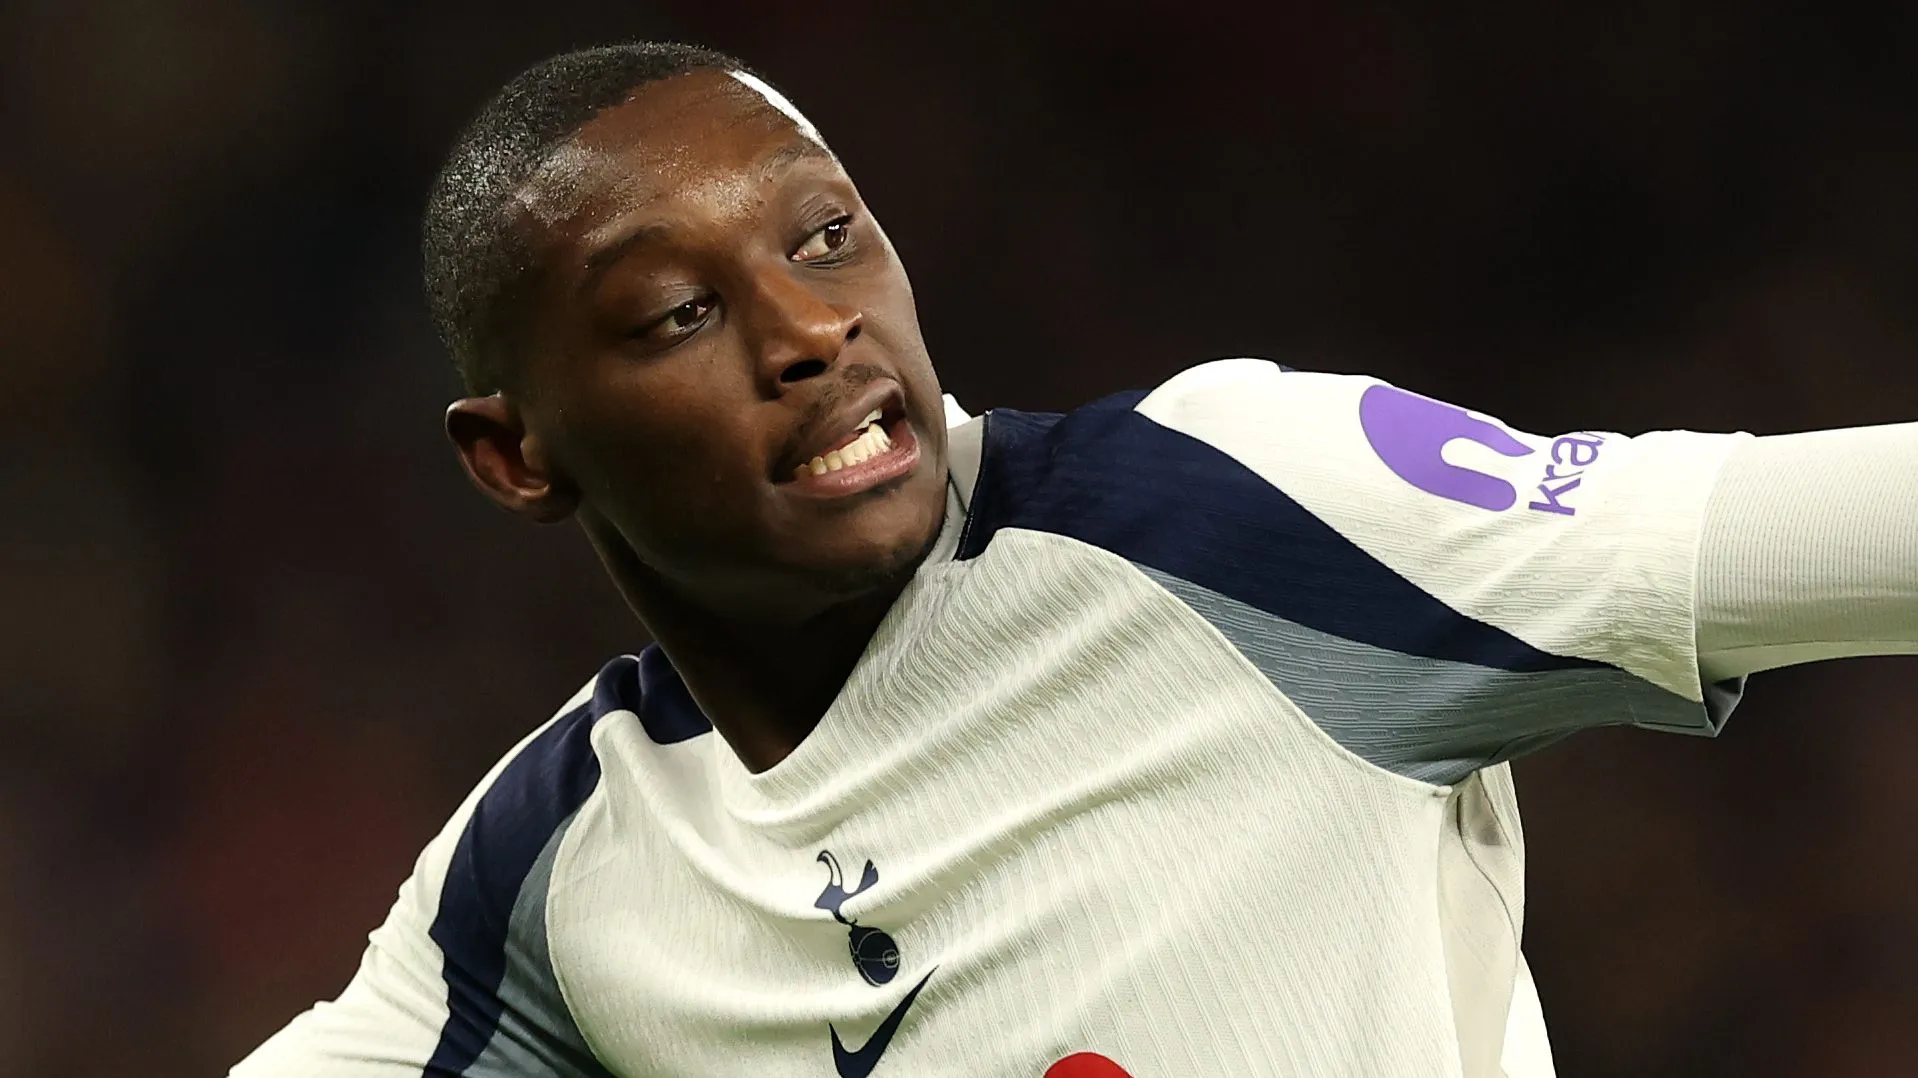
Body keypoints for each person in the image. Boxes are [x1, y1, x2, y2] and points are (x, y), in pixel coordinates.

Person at [230, 40, 1918, 1078]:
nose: (814, 328)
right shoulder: (555, 877)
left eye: (827, 236)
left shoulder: (1229, 516)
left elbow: (1818, 526)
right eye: (681, 313)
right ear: (517, 455)